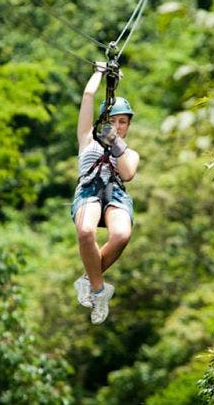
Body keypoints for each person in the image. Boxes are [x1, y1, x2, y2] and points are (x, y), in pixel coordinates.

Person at [71, 62, 140, 324]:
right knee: (86, 232)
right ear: (103, 122)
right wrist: (99, 73)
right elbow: (88, 97)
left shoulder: (130, 152)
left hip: (115, 194)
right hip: (89, 190)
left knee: (122, 234)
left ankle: (89, 279)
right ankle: (99, 291)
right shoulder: (87, 139)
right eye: (112, 121)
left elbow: (128, 173)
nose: (118, 125)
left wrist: (116, 143)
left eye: (123, 122)